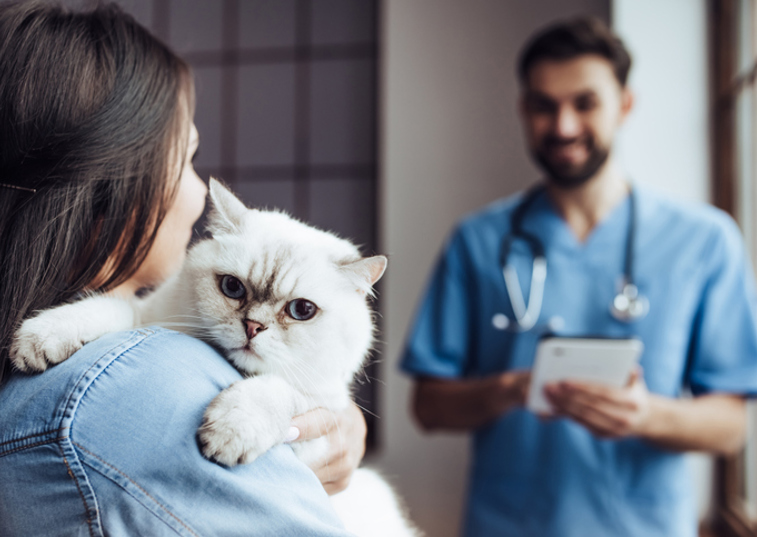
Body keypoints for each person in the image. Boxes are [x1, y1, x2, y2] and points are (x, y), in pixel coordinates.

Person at [0, 2, 363, 534]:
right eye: (189, 159)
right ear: (111, 190)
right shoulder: (144, 382)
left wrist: (329, 415)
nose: (201, 194)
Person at [400, 16, 757, 537]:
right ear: (524, 109)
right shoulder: (477, 241)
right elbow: (428, 406)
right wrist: (511, 389)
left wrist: (644, 415)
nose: (563, 126)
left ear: (625, 105)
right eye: (544, 105)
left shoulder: (704, 240)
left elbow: (731, 427)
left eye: (585, 103)